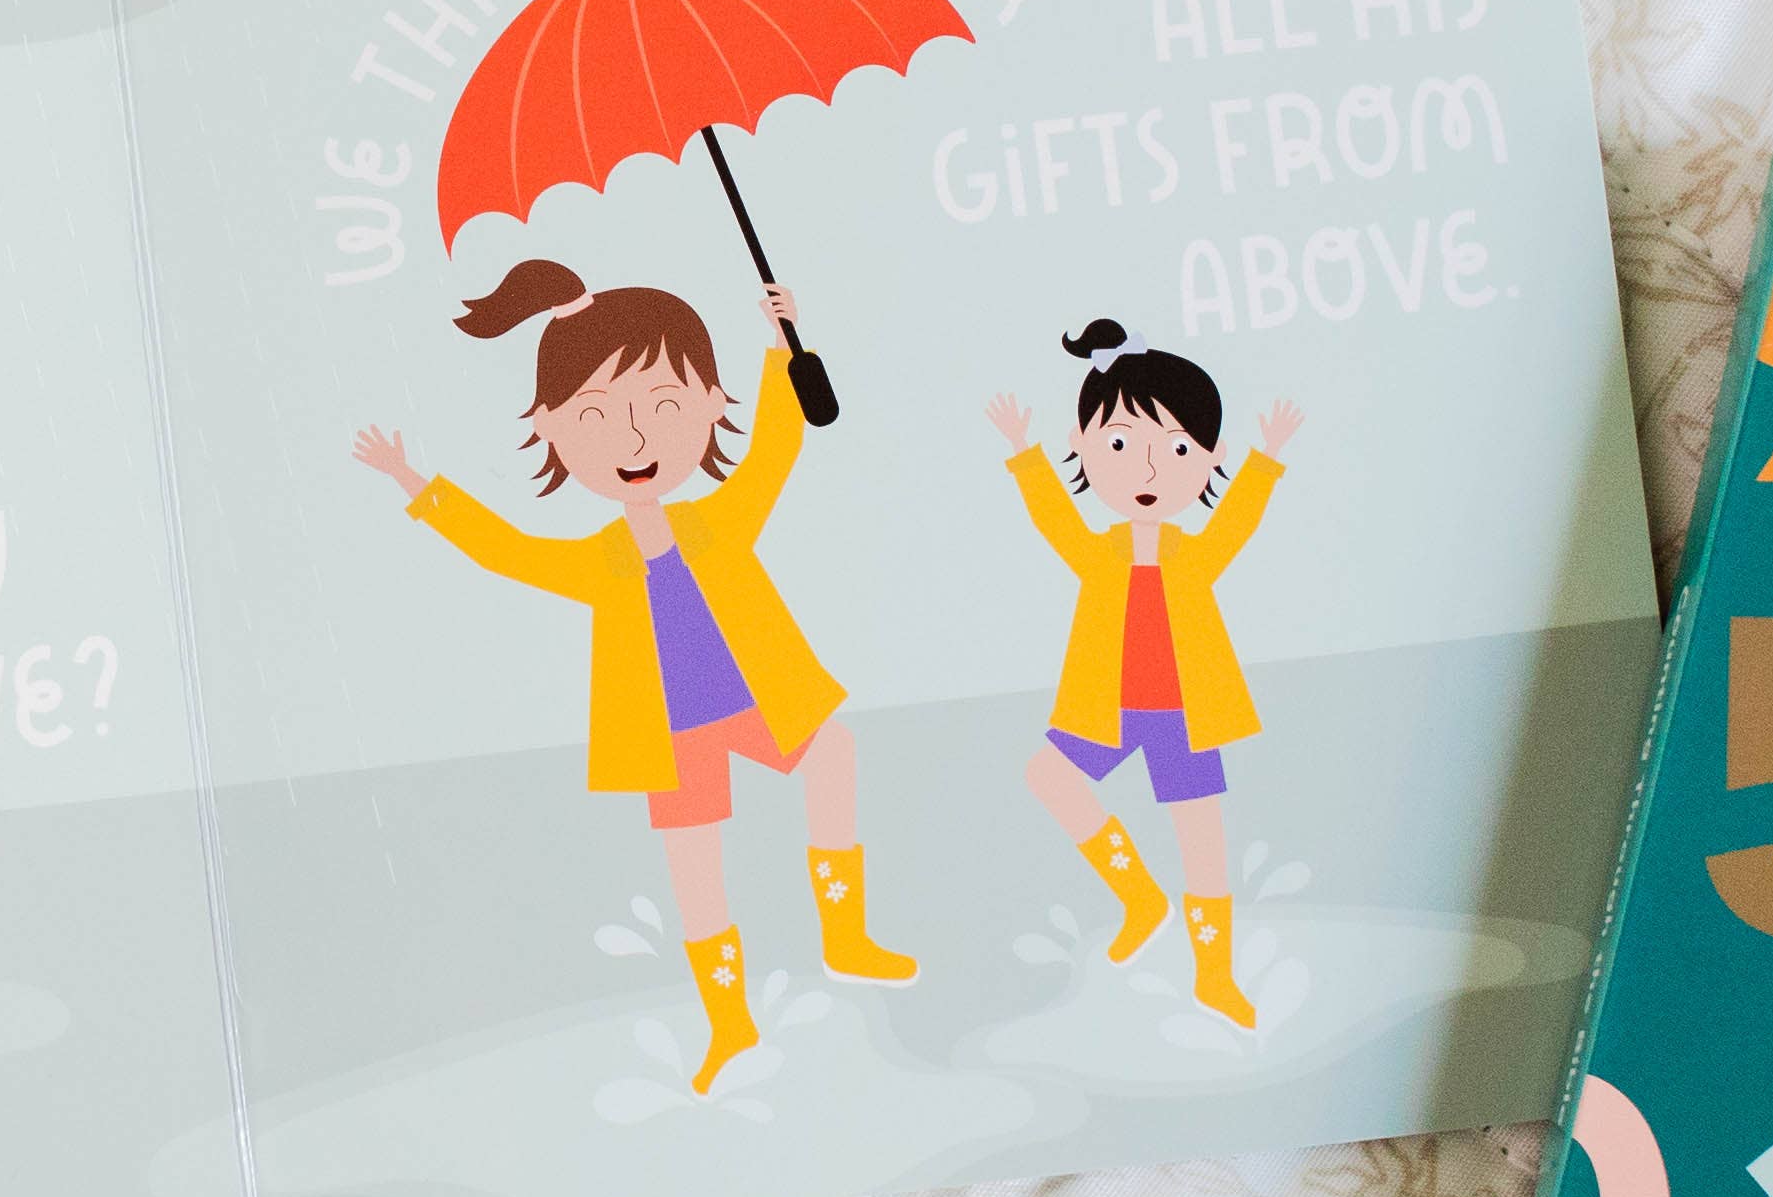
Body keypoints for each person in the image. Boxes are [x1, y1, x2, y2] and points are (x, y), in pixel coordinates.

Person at [355, 258, 911, 1095]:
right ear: (550, 427)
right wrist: (416, 484)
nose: (636, 441)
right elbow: (507, 551)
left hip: (757, 698)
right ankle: (730, 1021)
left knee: (833, 753)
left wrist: (781, 346)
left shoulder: (723, 519)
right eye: (596, 416)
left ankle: (845, 936)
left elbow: (773, 452)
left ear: (710, 404)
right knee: (696, 872)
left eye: (663, 406)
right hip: (669, 734)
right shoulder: (598, 562)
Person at [984, 320, 1300, 1031]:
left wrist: (1266, 461)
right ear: (1083, 445)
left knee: (1202, 841)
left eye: (1178, 450)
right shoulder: (1097, 553)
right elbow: (1053, 522)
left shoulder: (1196, 556)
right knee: (1049, 776)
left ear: (1210, 457)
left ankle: (1215, 975)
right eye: (1122, 446)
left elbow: (1236, 525)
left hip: (1185, 712)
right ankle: (1139, 897)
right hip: (1111, 708)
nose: (1150, 473)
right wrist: (1023, 454)